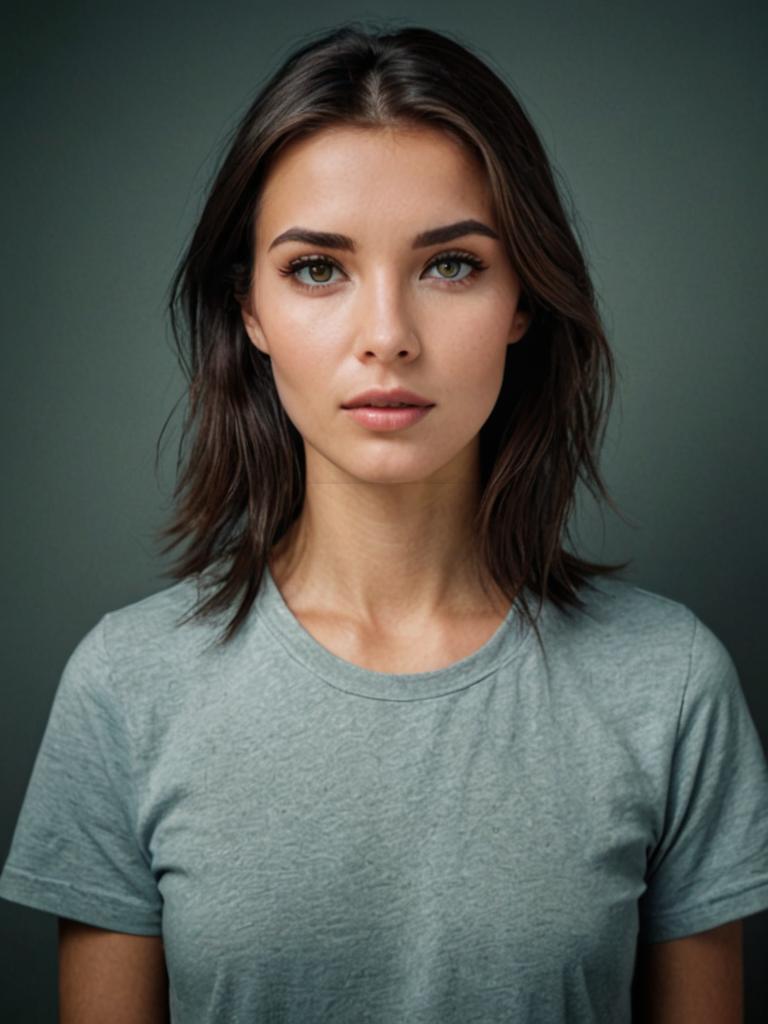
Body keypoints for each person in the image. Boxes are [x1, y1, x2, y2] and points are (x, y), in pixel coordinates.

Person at [1, 21, 767, 1024]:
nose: (388, 338)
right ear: (250, 312)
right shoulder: (127, 688)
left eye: (450, 264)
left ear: (522, 299)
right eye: (318, 268)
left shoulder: (668, 684)